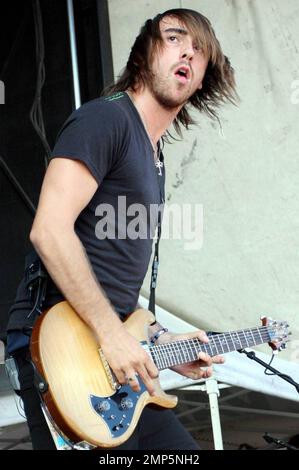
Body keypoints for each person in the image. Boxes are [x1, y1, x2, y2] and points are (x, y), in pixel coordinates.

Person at [6, 8, 237, 450]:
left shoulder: (153, 155)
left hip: (108, 359)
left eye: (200, 51)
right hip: (61, 348)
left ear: (203, 78)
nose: (187, 51)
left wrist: (157, 343)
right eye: (174, 38)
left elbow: (110, 280)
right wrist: (112, 336)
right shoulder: (105, 119)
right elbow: (49, 231)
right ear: (143, 51)